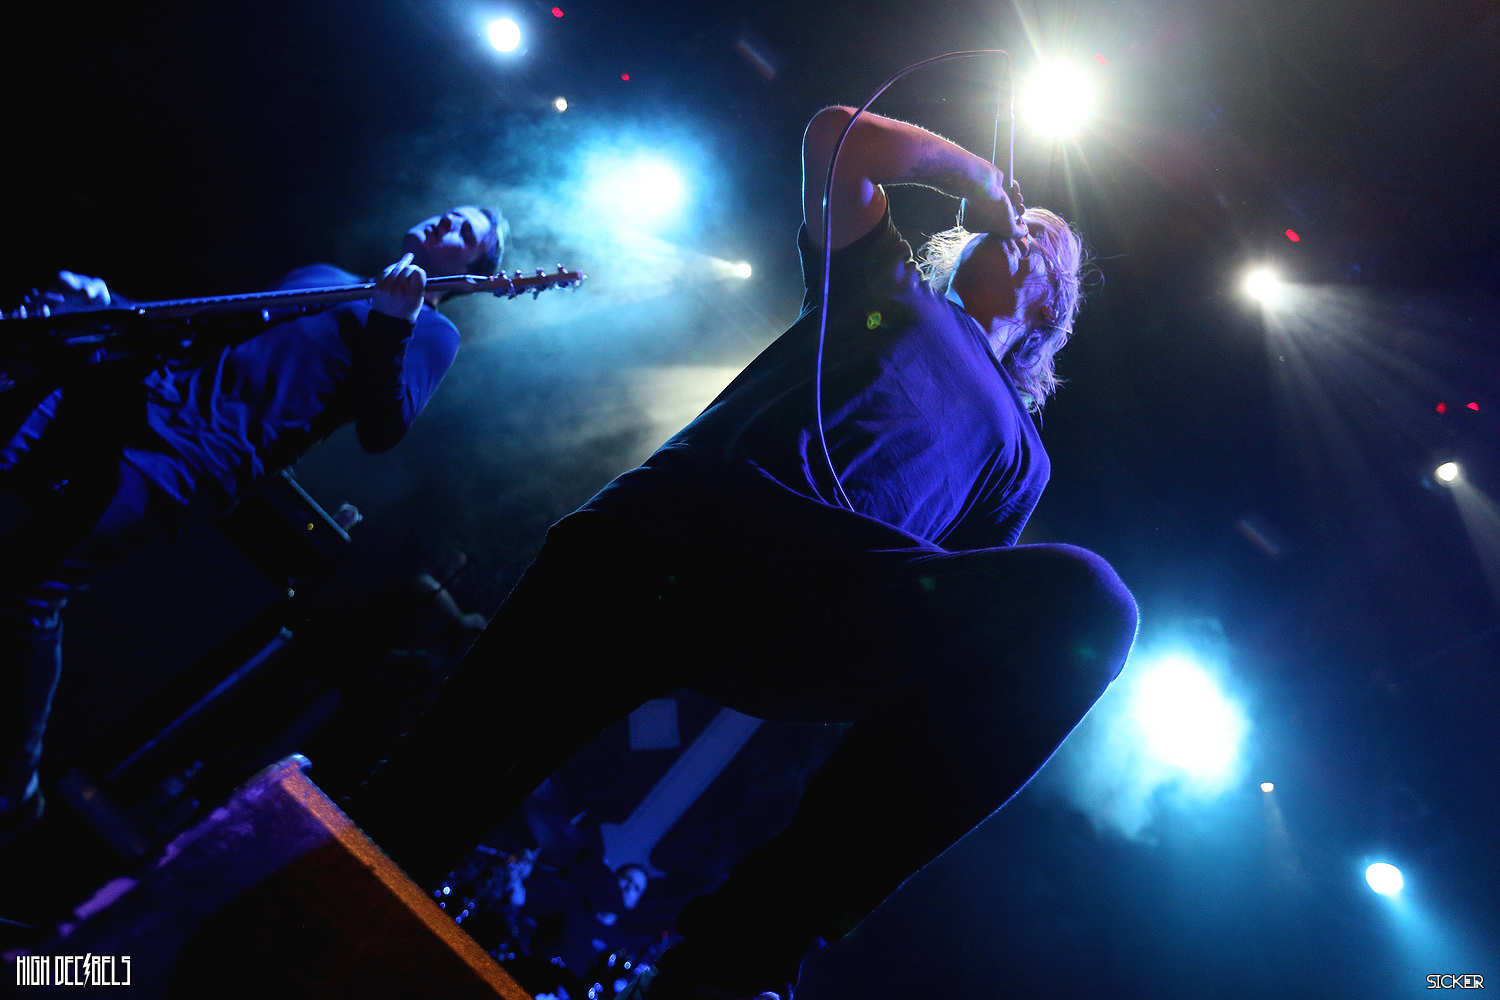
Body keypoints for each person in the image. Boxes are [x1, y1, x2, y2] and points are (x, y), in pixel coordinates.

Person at [348, 105, 1137, 1000]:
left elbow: (956, 630)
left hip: (818, 602)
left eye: (1041, 243)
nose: (1020, 236)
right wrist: (978, 179)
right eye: (1018, 226)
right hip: (668, 534)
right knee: (425, 799)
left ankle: (752, 941)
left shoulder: (1022, 457)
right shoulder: (887, 279)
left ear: (1051, 305)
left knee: (1090, 603)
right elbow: (837, 138)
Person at [0, 205, 506, 843]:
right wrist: (108, 304)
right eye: (448, 213)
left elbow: (384, 427)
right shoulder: (323, 274)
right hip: (128, 401)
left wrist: (391, 323)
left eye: (465, 232)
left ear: (474, 271)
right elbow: (199, 329)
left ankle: (12, 783)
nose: (444, 224)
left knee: (30, 587)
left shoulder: (432, 332)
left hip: (191, 459)